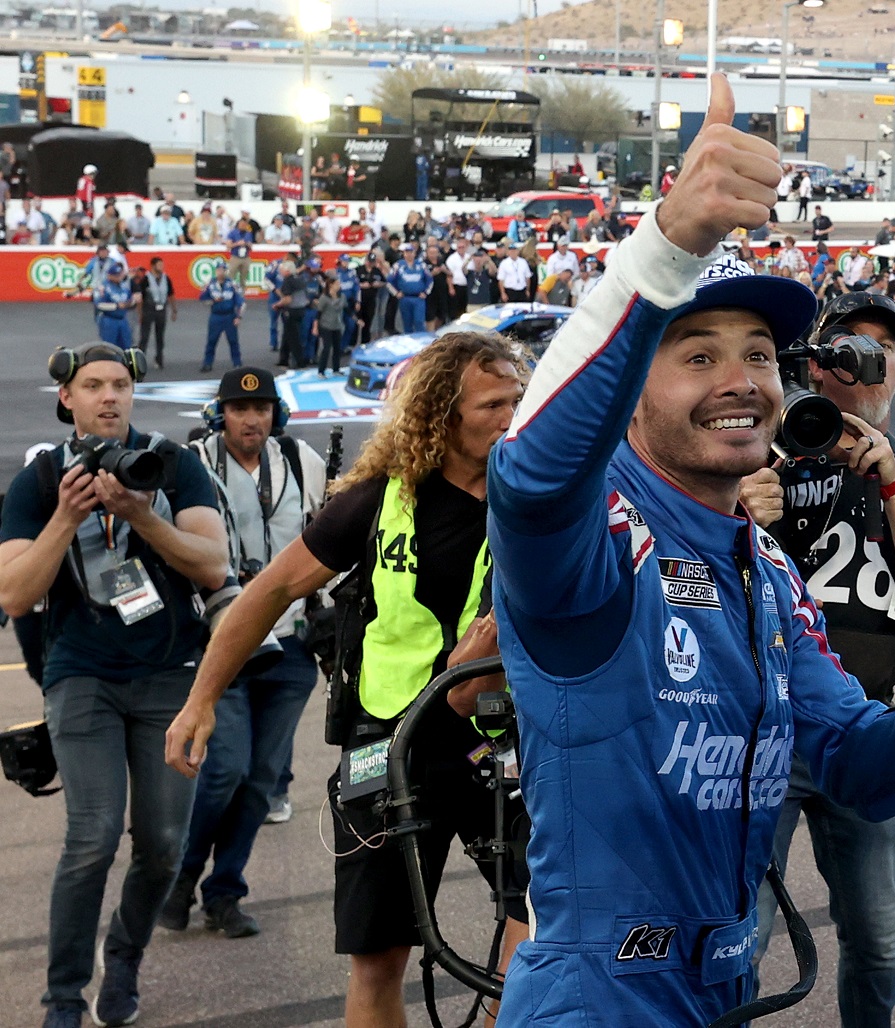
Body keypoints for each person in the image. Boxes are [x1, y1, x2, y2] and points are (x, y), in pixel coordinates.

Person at [483, 74, 895, 1026]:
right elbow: (533, 474)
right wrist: (664, 247)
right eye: (697, 354)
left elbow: (844, 755)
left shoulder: (768, 566)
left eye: (758, 353)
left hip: (722, 990)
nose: (742, 380)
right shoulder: (592, 540)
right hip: (601, 1000)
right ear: (630, 392)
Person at [165, 334, 529, 1027]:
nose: (513, 414)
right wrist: (201, 700)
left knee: (539, 938)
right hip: (389, 749)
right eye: (494, 403)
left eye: (519, 398)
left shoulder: (544, 498)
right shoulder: (377, 500)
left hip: (502, 747)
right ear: (443, 413)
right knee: (378, 958)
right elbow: (267, 593)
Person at [739, 289, 895, 1028]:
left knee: (876, 934)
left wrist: (889, 477)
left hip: (867, 727)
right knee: (740, 935)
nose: (868, 368)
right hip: (760, 726)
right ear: (817, 365)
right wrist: (734, 511)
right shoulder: (762, 452)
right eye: (849, 352)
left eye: (885, 353)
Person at [0, 343, 227, 1028]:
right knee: (92, 837)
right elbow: (14, 593)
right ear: (66, 398)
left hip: (169, 674)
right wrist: (68, 517)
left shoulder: (173, 464)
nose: (109, 397)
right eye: (92, 385)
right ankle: (64, 996)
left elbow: (213, 566)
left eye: (120, 385)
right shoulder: (40, 481)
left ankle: (123, 955)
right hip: (81, 675)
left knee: (162, 843)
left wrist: (141, 514)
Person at [160, 369, 327, 939]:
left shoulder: (303, 461)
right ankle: (179, 876)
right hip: (223, 641)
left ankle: (224, 891)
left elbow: (325, 538)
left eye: (261, 408)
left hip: (292, 647)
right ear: (220, 413)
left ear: (275, 414)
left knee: (260, 781)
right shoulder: (193, 466)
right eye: (238, 408)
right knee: (223, 770)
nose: (251, 419)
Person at [199, 260, 246, 372]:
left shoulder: (233, 284)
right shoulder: (210, 284)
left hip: (229, 316)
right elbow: (202, 298)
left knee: (233, 341)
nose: (221, 272)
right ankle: (207, 363)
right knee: (211, 340)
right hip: (216, 316)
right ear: (216, 271)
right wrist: (213, 301)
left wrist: (238, 317)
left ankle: (237, 363)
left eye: (223, 270)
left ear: (226, 271)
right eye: (219, 270)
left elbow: (241, 302)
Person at [133, 257, 177, 370]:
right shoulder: (145, 279)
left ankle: (159, 359)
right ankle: (139, 361)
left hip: (161, 310)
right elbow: (140, 297)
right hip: (148, 309)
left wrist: (174, 310)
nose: (162, 267)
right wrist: (140, 313)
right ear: (153, 266)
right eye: (159, 265)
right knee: (144, 337)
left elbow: (171, 294)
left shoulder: (166, 278)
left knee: (160, 336)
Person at [272, 259, 311, 370]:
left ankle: (300, 362)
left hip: (291, 311)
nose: (280, 272)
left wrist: (277, 305)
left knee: (294, 338)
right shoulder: (300, 279)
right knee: (287, 336)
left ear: (287, 271)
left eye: (282, 270)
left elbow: (287, 299)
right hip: (301, 310)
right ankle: (283, 360)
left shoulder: (288, 281)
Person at [314, 268, 353, 376]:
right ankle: (321, 371)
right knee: (326, 348)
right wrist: (315, 327)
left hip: (337, 325)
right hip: (326, 326)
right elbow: (318, 314)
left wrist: (356, 319)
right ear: (331, 285)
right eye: (337, 283)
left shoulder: (342, 297)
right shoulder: (324, 298)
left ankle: (336, 369)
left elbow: (347, 309)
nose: (339, 285)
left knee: (337, 348)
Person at [388, 242, 433, 334]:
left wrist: (426, 292)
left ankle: (422, 343)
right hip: (405, 298)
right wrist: (396, 293)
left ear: (414, 253)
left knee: (419, 322)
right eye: (407, 252)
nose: (409, 254)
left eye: (411, 252)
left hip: (418, 298)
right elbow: (389, 281)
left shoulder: (421, 265)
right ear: (404, 254)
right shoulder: (398, 265)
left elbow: (430, 280)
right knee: (406, 323)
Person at [92, 261, 138, 348]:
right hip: (109, 319)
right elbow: (99, 305)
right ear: (110, 276)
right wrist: (116, 306)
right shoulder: (103, 287)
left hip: (123, 319)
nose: (119, 277)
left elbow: (130, 300)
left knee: (126, 345)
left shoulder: (124, 287)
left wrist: (133, 302)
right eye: (116, 275)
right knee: (110, 347)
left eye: (120, 274)